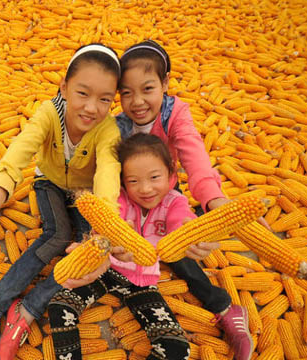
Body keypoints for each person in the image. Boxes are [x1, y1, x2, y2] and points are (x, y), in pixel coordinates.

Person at [0, 44, 122, 360]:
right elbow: (20, 149)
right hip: (50, 183)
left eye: (105, 99)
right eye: (82, 93)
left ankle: (27, 310)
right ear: (64, 87)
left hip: (86, 194)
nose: (91, 108)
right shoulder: (49, 114)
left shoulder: (108, 129)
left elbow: (109, 175)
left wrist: (104, 228)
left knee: (86, 250)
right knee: (56, 236)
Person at [116, 40, 252, 360]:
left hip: (167, 196)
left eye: (148, 88)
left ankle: (223, 306)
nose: (137, 102)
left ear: (165, 84)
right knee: (115, 251)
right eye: (126, 92)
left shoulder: (175, 114)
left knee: (179, 251)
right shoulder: (117, 126)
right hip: (129, 196)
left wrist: (214, 201)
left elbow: (196, 158)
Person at [48, 133, 191, 360]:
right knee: (59, 306)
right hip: (107, 271)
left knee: (177, 348)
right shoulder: (121, 199)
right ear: (123, 181)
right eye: (133, 181)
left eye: (154, 177)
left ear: (171, 176)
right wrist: (109, 237)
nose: (145, 189)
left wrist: (186, 229)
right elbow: (114, 216)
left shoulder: (175, 202)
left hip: (142, 282)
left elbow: (180, 220)